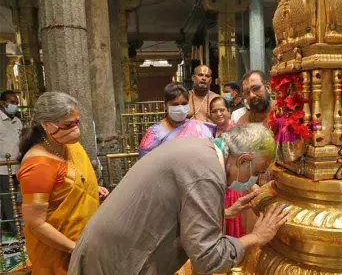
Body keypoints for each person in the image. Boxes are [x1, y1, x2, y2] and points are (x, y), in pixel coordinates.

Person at [69, 124, 288, 275]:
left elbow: (177, 208)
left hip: (108, 248)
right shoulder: (208, 171)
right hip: (119, 261)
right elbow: (208, 258)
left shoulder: (201, 148)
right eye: (255, 172)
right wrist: (255, 237)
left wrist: (226, 211)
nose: (252, 181)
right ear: (244, 159)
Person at [16, 91, 109, 274]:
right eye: (68, 124)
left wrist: (91, 189)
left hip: (85, 241)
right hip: (59, 251)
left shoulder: (71, 146)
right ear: (46, 124)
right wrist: (74, 248)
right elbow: (36, 224)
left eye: (77, 122)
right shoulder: (38, 165)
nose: (75, 129)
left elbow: (73, 182)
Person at [138, 82, 216, 158]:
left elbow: (210, 155)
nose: (180, 108)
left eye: (184, 103)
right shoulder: (155, 134)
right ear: (166, 105)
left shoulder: (199, 128)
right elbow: (146, 163)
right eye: (175, 104)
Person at [210, 97, 245, 238]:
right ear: (210, 115)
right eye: (214, 111)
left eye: (222, 110)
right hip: (214, 189)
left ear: (229, 111)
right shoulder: (209, 133)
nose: (218, 114)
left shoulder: (237, 132)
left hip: (232, 188)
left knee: (232, 229)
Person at [0, 90, 22, 235]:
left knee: (12, 195)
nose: (15, 106)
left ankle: (7, 225)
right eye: (12, 102)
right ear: (3, 103)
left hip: (16, 166)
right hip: (2, 167)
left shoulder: (17, 120)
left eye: (16, 103)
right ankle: (15, 228)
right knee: (8, 196)